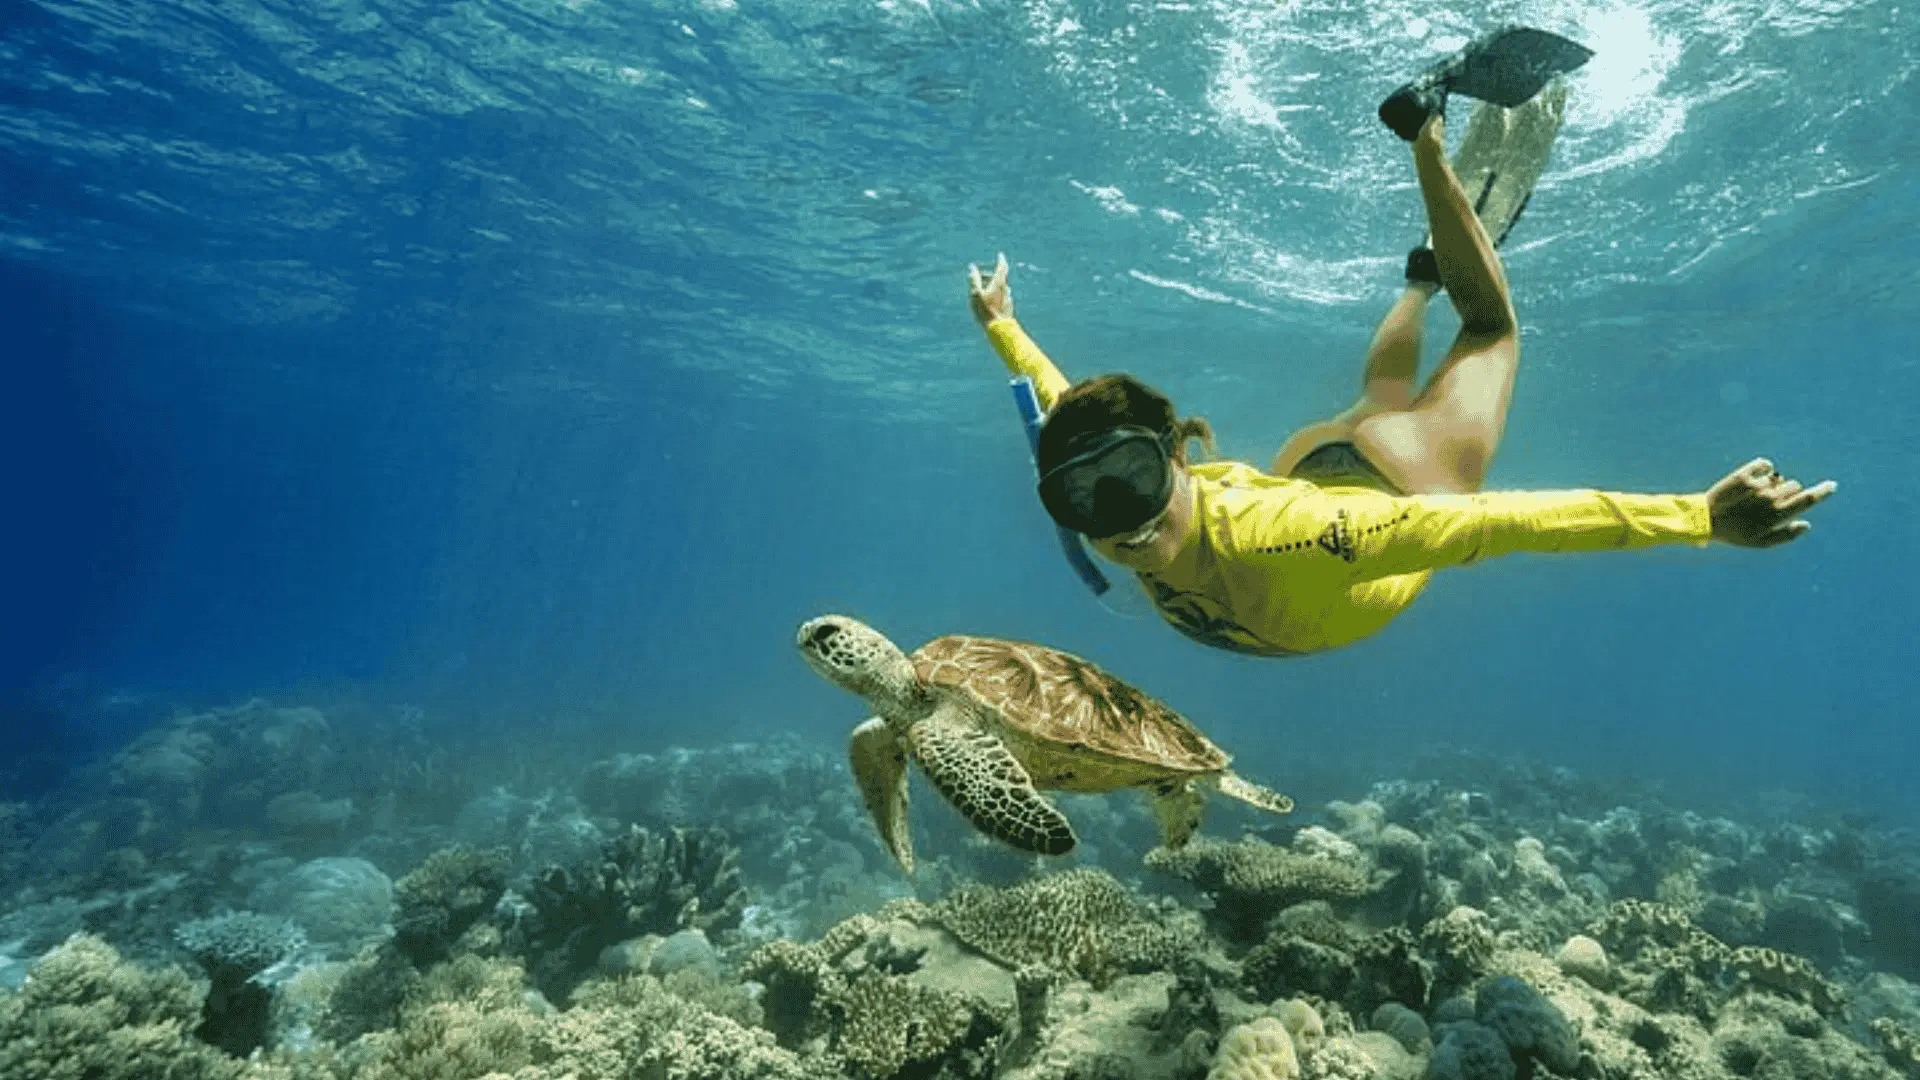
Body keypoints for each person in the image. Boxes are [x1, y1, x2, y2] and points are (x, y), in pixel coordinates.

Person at [968, 112, 1836, 658]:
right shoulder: (1127, 495)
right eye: (1080, 499)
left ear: (1175, 461)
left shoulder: (1304, 537)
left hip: (1385, 483)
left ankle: (1430, 155)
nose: (1118, 521)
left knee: (1489, 331)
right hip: (1320, 460)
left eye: (1129, 482)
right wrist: (1003, 324)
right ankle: (1420, 278)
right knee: (1389, 398)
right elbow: (1058, 403)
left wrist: (1697, 518)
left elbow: (1505, 525)